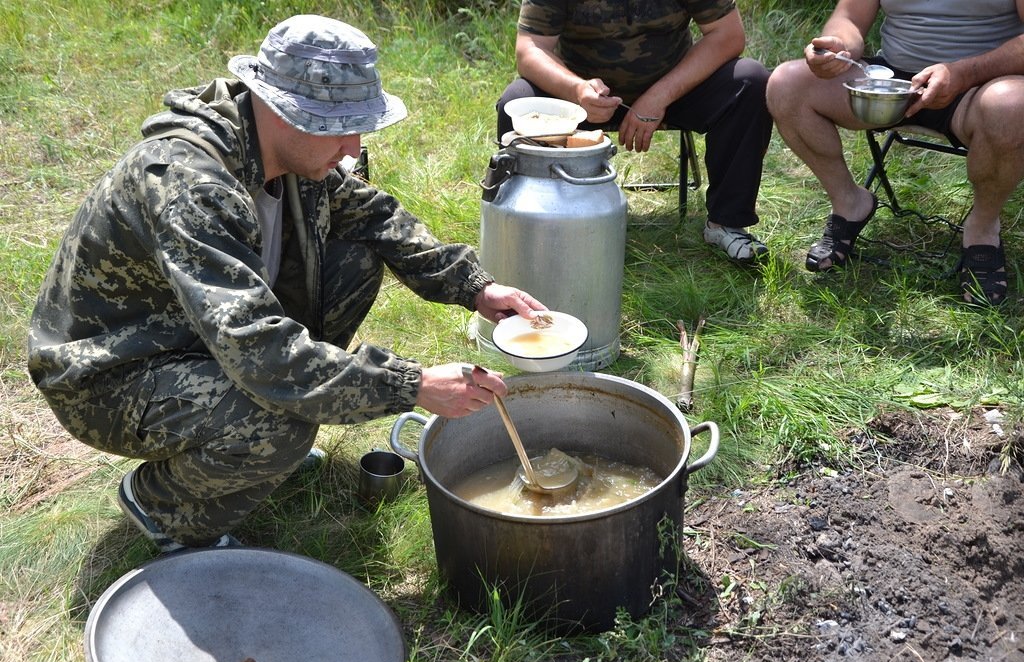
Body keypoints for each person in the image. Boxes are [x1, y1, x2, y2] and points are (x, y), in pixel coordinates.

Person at [26, 15, 546, 553]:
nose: (353, 145)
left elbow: (378, 220)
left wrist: (475, 288)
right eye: (339, 125)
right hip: (109, 370)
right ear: (279, 109)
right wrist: (411, 386)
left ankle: (258, 435)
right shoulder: (192, 185)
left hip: (196, 336)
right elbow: (259, 348)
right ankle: (164, 505)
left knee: (356, 258)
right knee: (279, 423)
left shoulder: (289, 153)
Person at [766, 0, 1024, 305]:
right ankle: (849, 202)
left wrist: (964, 74)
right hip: (890, 84)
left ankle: (983, 227)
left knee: (1013, 107)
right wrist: (838, 47)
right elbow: (849, 16)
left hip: (979, 87)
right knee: (785, 84)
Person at [495, 0, 774, 264]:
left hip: (676, 88)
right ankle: (526, 222)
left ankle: (726, 223)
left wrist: (660, 96)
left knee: (750, 81)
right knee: (516, 100)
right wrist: (576, 90)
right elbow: (530, 49)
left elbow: (727, 34)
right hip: (583, 95)